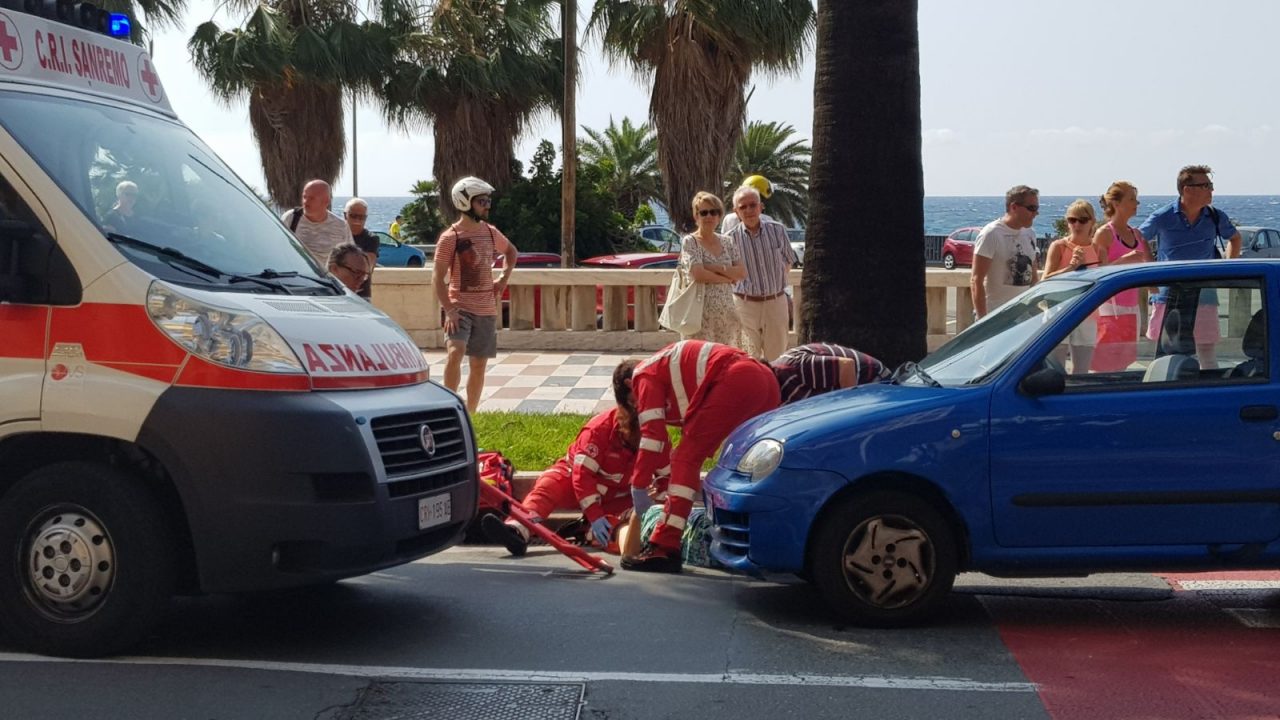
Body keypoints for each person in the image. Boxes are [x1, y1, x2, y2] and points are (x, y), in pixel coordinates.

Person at [619, 340, 781, 573]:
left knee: (686, 458)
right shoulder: (665, 367)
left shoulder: (643, 376)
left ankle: (665, 545)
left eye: (634, 404)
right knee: (751, 463)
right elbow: (662, 442)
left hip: (738, 379)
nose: (639, 408)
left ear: (629, 385)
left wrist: (639, 485)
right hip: (765, 382)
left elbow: (652, 437)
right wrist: (663, 480)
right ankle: (766, 537)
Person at [481, 363, 672, 556]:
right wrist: (595, 515)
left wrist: (661, 507)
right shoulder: (598, 431)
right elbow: (582, 476)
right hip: (573, 483)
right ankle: (517, 530)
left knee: (622, 519)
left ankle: (595, 532)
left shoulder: (657, 433)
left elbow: (667, 477)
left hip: (619, 496)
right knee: (549, 485)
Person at [1137, 165, 1240, 369]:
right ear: (1187, 189)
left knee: (1206, 351)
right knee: (1165, 352)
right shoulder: (1163, 216)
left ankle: (1210, 395)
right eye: (1206, 185)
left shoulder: (1214, 216)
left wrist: (1226, 268)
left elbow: (1235, 239)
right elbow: (1139, 239)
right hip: (1168, 294)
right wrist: (1151, 274)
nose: (1211, 190)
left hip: (1205, 294)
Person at [433, 176, 518, 413]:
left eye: (488, 200)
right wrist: (449, 310)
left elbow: (511, 252)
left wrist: (503, 278)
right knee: (455, 352)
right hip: (459, 307)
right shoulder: (451, 237)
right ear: (465, 202)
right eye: (482, 201)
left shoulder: (491, 233)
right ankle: (450, 407)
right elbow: (437, 278)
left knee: (479, 364)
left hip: (486, 309)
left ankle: (470, 414)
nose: (487, 205)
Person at [728, 185, 797, 360]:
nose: (749, 210)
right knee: (749, 359)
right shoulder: (730, 239)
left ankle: (775, 388)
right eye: (743, 207)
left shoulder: (777, 230)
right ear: (736, 212)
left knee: (777, 358)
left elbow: (789, 260)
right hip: (745, 306)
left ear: (761, 207)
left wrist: (776, 282)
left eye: (753, 205)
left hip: (776, 303)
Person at [1091, 181, 1151, 372]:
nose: (1137, 203)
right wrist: (1123, 260)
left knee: (1125, 361)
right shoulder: (1105, 234)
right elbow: (1095, 273)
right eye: (1132, 199)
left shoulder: (1136, 234)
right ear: (1116, 204)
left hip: (1132, 305)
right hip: (1110, 306)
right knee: (1105, 362)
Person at [1040, 199, 1101, 372]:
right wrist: (1070, 268)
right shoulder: (1059, 246)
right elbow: (1046, 279)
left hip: (1087, 313)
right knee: (1055, 370)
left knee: (1081, 373)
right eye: (1072, 220)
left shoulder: (1097, 249)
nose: (1077, 224)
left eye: (1082, 220)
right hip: (1059, 311)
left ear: (1092, 222)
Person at [679, 191, 745, 346]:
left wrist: (712, 266)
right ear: (696, 217)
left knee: (726, 363)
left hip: (727, 314)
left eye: (713, 212)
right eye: (704, 212)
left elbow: (741, 272)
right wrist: (727, 277)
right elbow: (698, 274)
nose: (709, 216)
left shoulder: (728, 242)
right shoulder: (690, 242)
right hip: (699, 316)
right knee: (700, 362)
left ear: (719, 216)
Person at [971, 185, 1041, 319]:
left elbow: (1033, 277)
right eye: (1031, 208)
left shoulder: (1030, 234)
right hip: (995, 316)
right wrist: (982, 319)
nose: (1036, 213)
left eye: (1037, 208)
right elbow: (976, 280)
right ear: (1014, 207)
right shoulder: (991, 234)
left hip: (1022, 315)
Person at [771, 343, 889, 403]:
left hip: (874, 381)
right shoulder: (780, 389)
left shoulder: (793, 366)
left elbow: (846, 366)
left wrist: (846, 413)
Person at [281, 179, 351, 267]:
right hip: (295, 277)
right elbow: (278, 249)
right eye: (304, 197)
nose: (306, 202)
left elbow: (349, 258)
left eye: (311, 198)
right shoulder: (290, 218)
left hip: (326, 279)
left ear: (326, 201)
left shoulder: (341, 226)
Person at [344, 198, 380, 299]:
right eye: (353, 216)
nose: (357, 220)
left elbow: (367, 267)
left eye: (361, 217)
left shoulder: (371, 238)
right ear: (345, 215)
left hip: (362, 294)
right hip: (338, 292)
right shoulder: (337, 235)